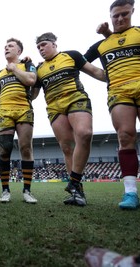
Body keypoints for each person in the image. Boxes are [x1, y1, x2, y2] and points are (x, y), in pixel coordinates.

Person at [84, 0, 140, 210]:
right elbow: (82, 62)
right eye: (116, 15)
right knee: (125, 136)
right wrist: (106, 76)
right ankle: (130, 193)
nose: (120, 18)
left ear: (132, 11)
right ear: (110, 16)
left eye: (125, 14)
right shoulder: (101, 45)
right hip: (118, 90)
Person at [32, 32, 106, 207]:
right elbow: (33, 95)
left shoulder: (71, 55)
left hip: (76, 98)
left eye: (44, 45)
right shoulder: (39, 68)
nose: (41, 49)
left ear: (54, 44)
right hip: (54, 107)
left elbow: (95, 71)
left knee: (85, 133)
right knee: (66, 147)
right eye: (38, 47)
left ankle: (73, 181)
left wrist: (119, 78)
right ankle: (77, 191)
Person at [0, 38, 38, 204]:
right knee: (5, 150)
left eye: (10, 46)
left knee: (26, 148)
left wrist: (14, 68)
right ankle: (5, 190)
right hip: (4, 112)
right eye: (5, 46)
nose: (6, 48)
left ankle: (27, 191)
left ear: (19, 51)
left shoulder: (28, 65)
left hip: (23, 110)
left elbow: (31, 80)